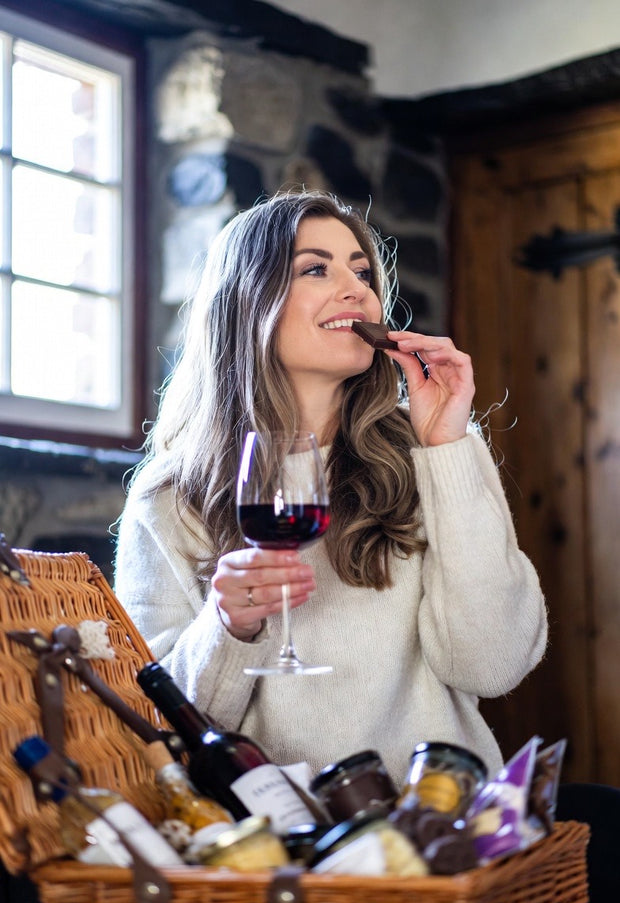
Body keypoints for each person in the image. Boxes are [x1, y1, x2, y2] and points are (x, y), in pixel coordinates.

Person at [113, 188, 547, 788]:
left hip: (439, 831)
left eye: (362, 271)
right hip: (272, 851)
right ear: (248, 303)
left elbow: (493, 664)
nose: (358, 289)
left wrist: (447, 444)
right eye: (316, 268)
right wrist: (228, 627)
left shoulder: (427, 456)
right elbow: (155, 726)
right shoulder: (170, 495)